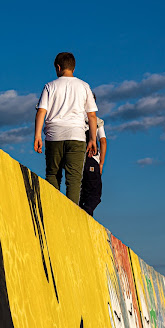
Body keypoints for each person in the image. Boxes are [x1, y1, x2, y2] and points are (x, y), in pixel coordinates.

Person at [34, 52, 98, 204]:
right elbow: (92, 116)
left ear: (58, 67)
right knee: (74, 180)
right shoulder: (84, 86)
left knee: (53, 175)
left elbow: (41, 111)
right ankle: (72, 216)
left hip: (54, 136)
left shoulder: (50, 86)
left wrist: (37, 136)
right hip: (76, 136)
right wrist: (93, 139)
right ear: (73, 68)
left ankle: (53, 209)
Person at [79, 100, 107, 216]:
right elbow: (103, 141)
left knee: (81, 193)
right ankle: (87, 213)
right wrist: (101, 163)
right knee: (95, 194)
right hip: (91, 159)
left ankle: (78, 213)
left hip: (78, 160)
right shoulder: (96, 121)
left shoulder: (75, 119)